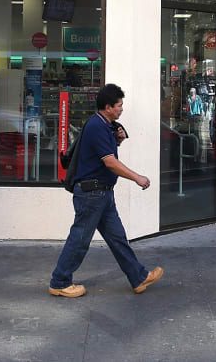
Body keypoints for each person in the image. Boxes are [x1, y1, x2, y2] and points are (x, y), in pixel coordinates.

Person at [48, 83, 163, 298]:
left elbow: (102, 156)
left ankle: (138, 277)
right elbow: (109, 162)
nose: (121, 109)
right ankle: (60, 281)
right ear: (108, 107)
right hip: (92, 193)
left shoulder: (106, 126)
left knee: (118, 238)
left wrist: (117, 140)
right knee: (80, 239)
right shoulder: (97, 126)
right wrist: (137, 177)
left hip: (102, 194)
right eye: (119, 105)